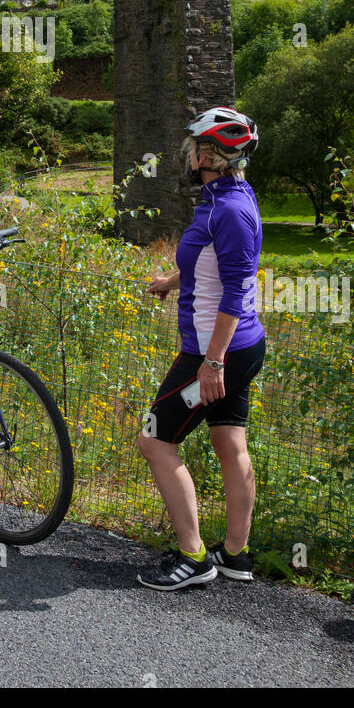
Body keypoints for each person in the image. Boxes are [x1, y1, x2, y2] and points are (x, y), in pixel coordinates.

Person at [134, 107, 266, 591]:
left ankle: (193, 558)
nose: (187, 154)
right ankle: (235, 554)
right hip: (241, 347)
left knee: (154, 440)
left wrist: (212, 363)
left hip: (215, 353)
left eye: (193, 147)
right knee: (229, 444)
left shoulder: (228, 210)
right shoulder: (227, 196)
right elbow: (212, 261)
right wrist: (171, 279)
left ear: (208, 154)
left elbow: (235, 288)